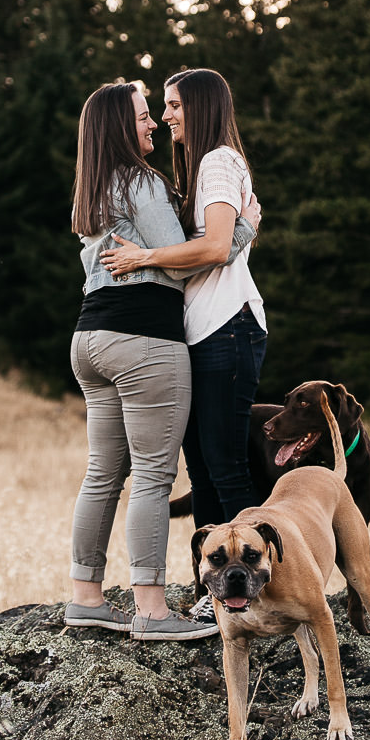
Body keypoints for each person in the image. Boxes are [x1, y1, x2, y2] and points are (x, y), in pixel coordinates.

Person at [66, 80, 260, 642]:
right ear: (118, 127)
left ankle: (87, 599)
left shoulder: (93, 189)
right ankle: (152, 610)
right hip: (143, 339)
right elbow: (186, 262)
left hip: (90, 339)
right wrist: (245, 228)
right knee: (153, 475)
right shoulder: (143, 182)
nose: (152, 123)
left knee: (102, 474)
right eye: (143, 116)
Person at [100, 67, 267, 538]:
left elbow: (215, 246)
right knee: (205, 471)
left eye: (174, 105)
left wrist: (143, 257)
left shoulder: (217, 162)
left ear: (201, 106)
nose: (166, 116)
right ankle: (211, 578)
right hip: (205, 330)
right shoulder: (199, 167)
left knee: (226, 467)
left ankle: (255, 574)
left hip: (227, 325)